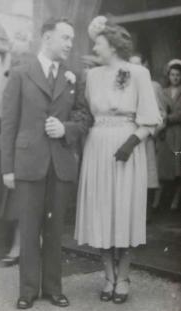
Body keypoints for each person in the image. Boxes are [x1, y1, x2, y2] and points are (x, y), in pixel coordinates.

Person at [1, 18, 91, 309]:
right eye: (65, 38)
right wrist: (7, 168)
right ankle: (27, 290)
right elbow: (9, 123)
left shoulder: (72, 76)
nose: (69, 44)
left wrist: (67, 129)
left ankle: (53, 288)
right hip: (29, 164)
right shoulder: (20, 73)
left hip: (60, 164)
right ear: (47, 38)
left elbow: (83, 117)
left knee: (55, 232)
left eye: (71, 39)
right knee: (29, 230)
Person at [75, 15, 161, 304]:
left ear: (112, 45)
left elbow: (151, 119)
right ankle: (108, 276)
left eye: (98, 43)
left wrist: (132, 142)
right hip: (97, 149)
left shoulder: (138, 73)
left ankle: (123, 277)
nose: (94, 48)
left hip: (126, 149)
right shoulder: (92, 76)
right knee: (101, 211)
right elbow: (86, 113)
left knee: (124, 211)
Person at [129, 54, 167, 222]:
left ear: (145, 66)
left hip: (146, 139)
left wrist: (151, 131)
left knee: (147, 177)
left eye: (138, 65)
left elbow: (162, 114)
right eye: (131, 65)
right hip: (127, 137)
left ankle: (145, 216)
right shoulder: (125, 84)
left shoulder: (153, 86)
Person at [157, 59, 181, 212]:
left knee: (178, 166)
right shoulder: (163, 92)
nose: (175, 78)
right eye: (173, 75)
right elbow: (159, 108)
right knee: (165, 168)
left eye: (178, 75)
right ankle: (161, 202)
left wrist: (168, 117)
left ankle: (175, 201)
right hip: (166, 133)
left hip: (179, 132)